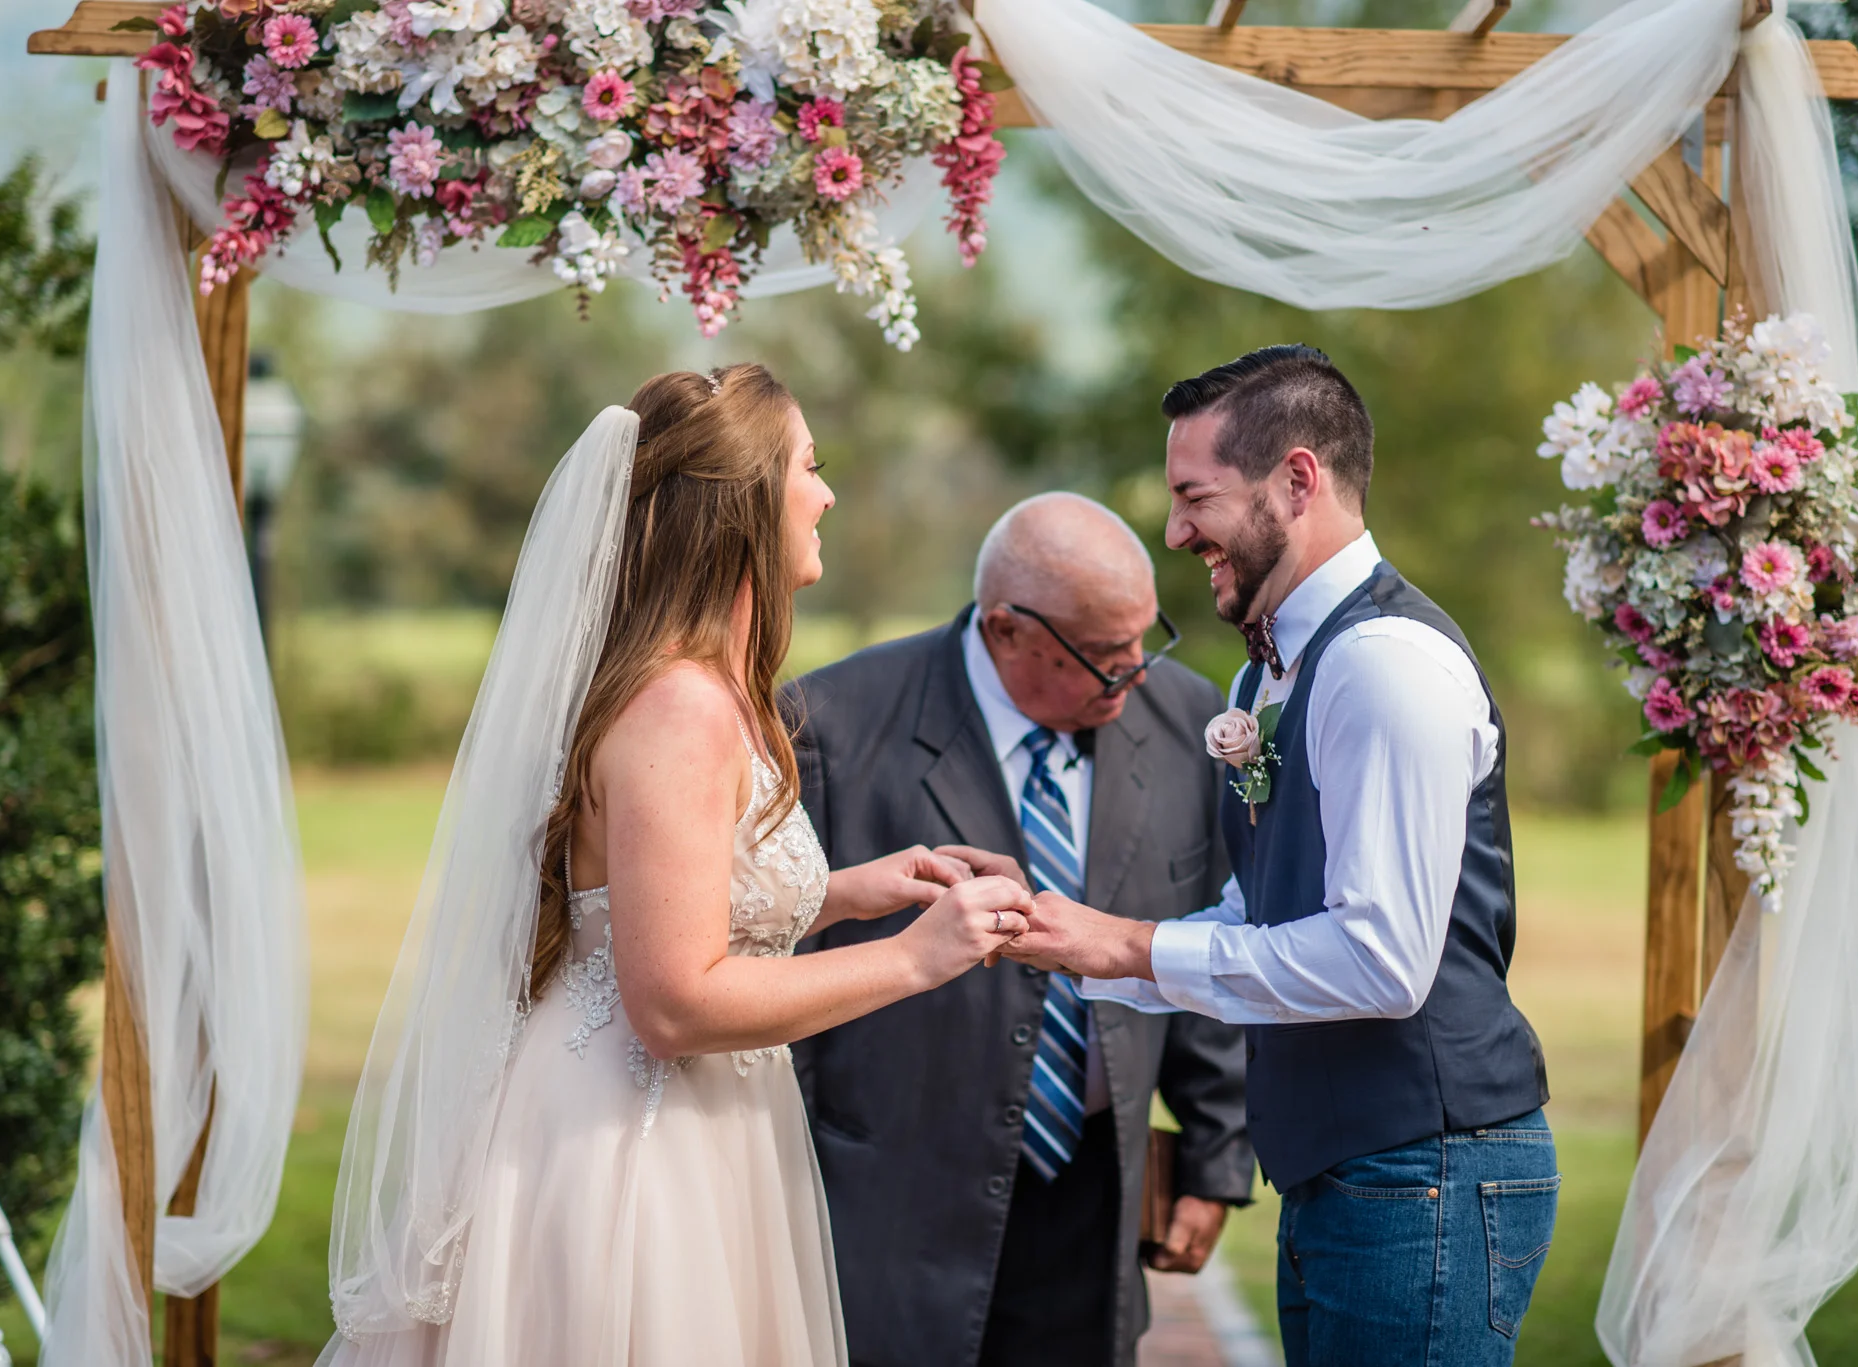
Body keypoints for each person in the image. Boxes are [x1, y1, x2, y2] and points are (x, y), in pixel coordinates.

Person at [318, 365, 1034, 1367]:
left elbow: (668, 904)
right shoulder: (679, 708)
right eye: (809, 467)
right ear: (744, 502)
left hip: (704, 1118)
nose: (827, 495)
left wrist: (843, 894)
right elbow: (674, 1001)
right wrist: (918, 955)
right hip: (629, 1142)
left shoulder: (705, 689)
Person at [1002, 347, 1557, 1367]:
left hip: (1424, 1170)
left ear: (1296, 480)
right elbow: (1265, 911)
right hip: (1354, 1173)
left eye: (1193, 497)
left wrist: (1128, 946)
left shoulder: (1383, 664)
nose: (1175, 533)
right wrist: (1066, 936)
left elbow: (1381, 961)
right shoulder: (1270, 674)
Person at [787, 493, 1255, 1367]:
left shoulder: (1186, 723)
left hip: (1092, 1199)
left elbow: (1202, 936)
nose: (1136, 676)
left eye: (1145, 641)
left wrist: (1214, 1155)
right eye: (1106, 658)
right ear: (1006, 628)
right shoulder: (833, 727)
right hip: (889, 1208)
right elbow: (780, 971)